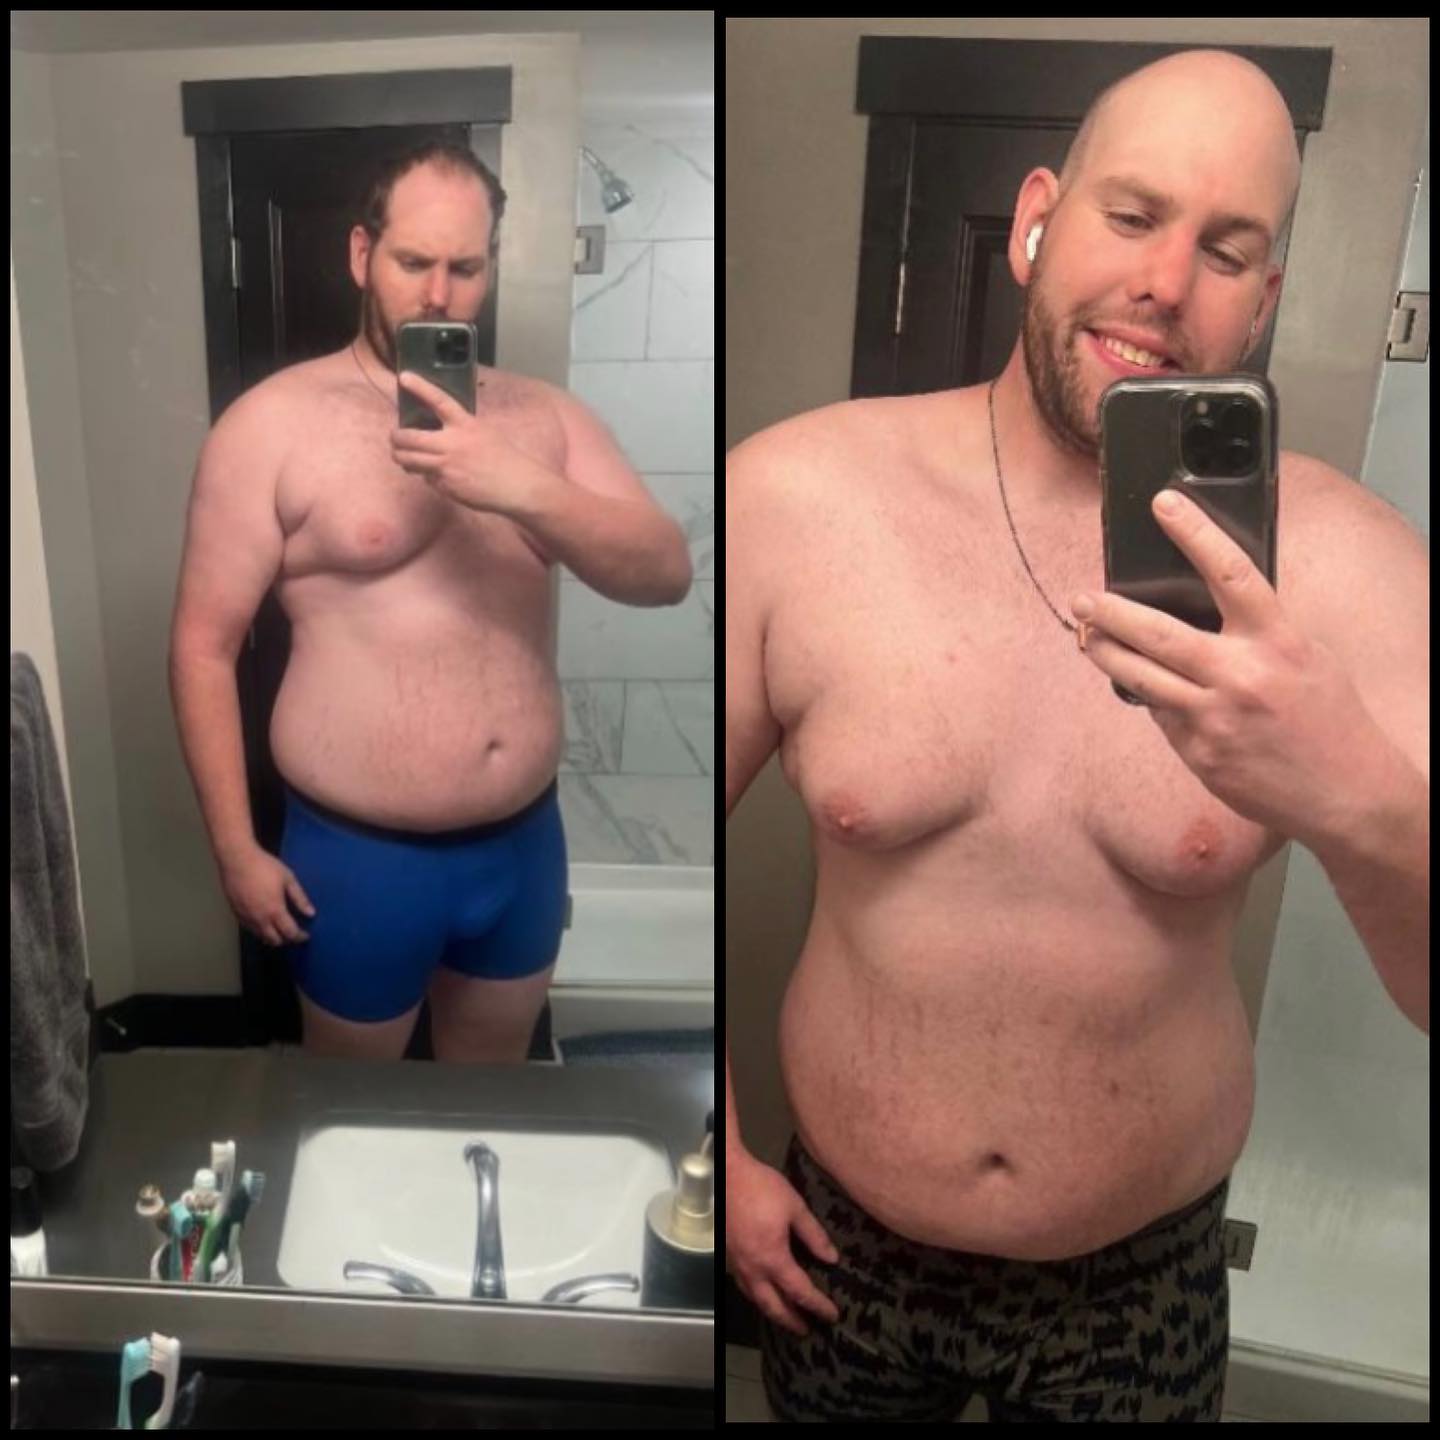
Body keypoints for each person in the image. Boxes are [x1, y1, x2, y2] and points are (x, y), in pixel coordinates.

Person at [726, 49, 1428, 1422]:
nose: (1166, 282)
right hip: (844, 1250)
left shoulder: (1350, 569)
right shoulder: (797, 498)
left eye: (1227, 250)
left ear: (1266, 297)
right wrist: (721, 1154)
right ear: (1038, 222)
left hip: (1140, 1280)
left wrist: (1356, 798)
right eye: (1133, 215)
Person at [171, 142, 692, 1063]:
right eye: (414, 262)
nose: (439, 294)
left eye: (466, 267)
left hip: (522, 848)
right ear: (362, 254)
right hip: (360, 858)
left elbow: (664, 573)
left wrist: (521, 486)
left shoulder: (543, 419)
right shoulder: (271, 425)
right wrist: (233, 850)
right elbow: (203, 647)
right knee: (357, 1115)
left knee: (493, 1106)